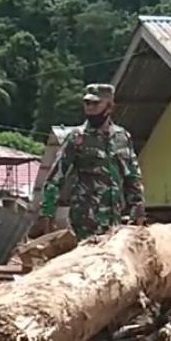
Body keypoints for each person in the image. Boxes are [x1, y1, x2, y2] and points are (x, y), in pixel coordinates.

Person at [36, 83, 145, 241]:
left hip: (114, 221)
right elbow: (56, 177)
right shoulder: (77, 138)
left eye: (95, 103)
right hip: (85, 221)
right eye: (87, 103)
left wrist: (138, 208)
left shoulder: (122, 137)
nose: (90, 108)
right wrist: (47, 213)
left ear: (109, 107)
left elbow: (132, 176)